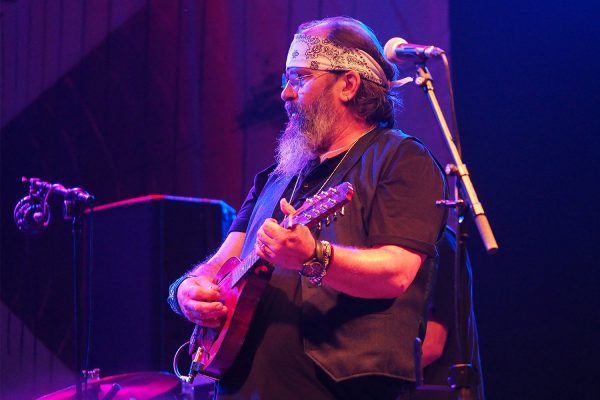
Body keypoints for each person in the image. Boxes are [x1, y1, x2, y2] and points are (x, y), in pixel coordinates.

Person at [168, 16, 447, 399]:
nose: (285, 93)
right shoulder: (275, 179)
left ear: (348, 85)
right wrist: (188, 289)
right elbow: (222, 262)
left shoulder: (401, 159)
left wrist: (313, 255)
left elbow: (396, 272)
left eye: (299, 78)